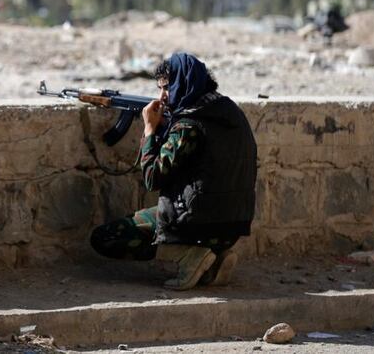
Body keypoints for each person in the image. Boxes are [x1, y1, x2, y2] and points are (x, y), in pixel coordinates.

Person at [90, 52, 257, 290]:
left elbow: (152, 178)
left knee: (105, 237)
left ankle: (188, 254)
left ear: (183, 83)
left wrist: (149, 130)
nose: (162, 97)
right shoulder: (231, 112)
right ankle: (217, 256)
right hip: (232, 228)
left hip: (197, 226)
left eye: (168, 88)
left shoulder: (188, 125)